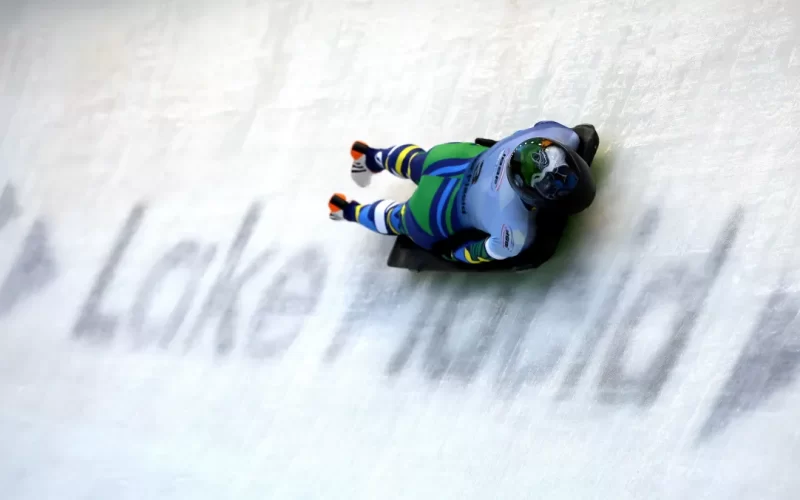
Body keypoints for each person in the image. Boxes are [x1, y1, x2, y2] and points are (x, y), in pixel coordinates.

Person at [328, 120, 597, 265]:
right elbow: (475, 252)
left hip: (450, 159)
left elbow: (536, 129)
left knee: (418, 162)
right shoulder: (511, 232)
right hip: (436, 210)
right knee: (399, 219)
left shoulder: (557, 135)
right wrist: (449, 253)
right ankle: (348, 210)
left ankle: (371, 156)